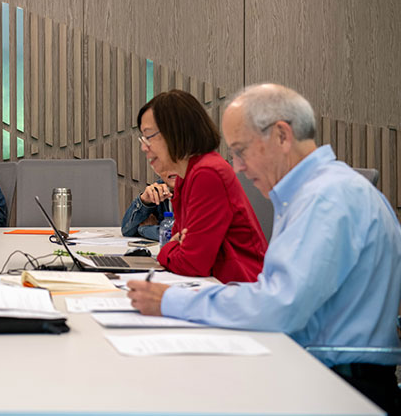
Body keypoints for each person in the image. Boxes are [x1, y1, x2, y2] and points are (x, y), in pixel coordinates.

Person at [127, 84, 401, 414]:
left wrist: (171, 300)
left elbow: (279, 306)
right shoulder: (317, 193)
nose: (238, 167)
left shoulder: (327, 199)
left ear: (282, 136)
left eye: (241, 151)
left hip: (339, 387)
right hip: (325, 374)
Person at [136, 89, 267, 283]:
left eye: (149, 137)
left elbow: (191, 263)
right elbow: (179, 242)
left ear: (175, 132)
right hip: (214, 285)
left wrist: (166, 250)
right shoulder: (186, 174)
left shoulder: (208, 173)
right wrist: (176, 247)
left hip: (241, 289)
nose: (143, 147)